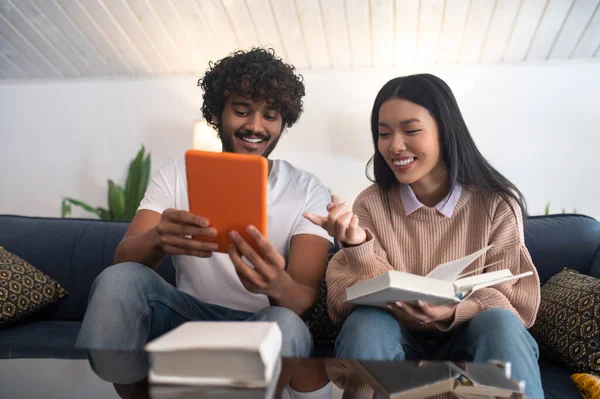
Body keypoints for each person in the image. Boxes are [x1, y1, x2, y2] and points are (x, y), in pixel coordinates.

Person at [75, 48, 334, 388]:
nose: (255, 126)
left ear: (283, 121)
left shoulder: (307, 189)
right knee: (118, 280)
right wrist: (158, 240)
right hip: (186, 318)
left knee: (287, 325)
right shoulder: (178, 174)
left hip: (261, 322)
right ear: (216, 113)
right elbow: (122, 262)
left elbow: (302, 300)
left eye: (270, 116)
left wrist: (274, 283)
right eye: (241, 111)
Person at [305, 73, 543, 399]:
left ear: (445, 131)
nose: (395, 146)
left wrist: (454, 311)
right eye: (383, 133)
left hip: (470, 339)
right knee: (367, 324)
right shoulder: (370, 203)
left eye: (411, 130)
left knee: (498, 323)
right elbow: (339, 306)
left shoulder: (496, 204)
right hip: (397, 338)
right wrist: (358, 249)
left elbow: (514, 304)